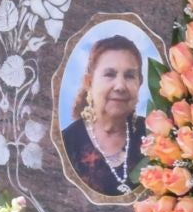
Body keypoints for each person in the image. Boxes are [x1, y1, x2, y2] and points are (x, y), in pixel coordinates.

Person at [59, 33, 149, 197]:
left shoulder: (155, 137)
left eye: (129, 76)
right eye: (110, 74)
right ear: (89, 82)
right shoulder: (67, 142)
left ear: (140, 83)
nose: (120, 86)